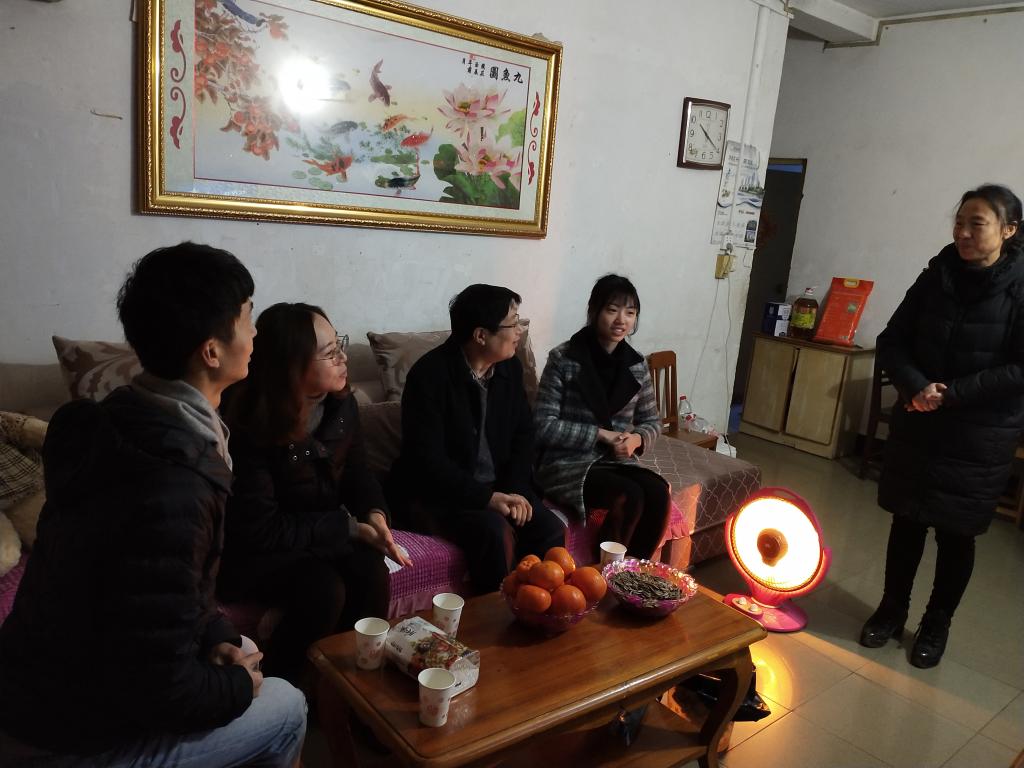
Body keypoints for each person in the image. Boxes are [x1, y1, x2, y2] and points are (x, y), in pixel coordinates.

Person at [0, 243, 306, 767]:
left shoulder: (117, 421)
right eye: (247, 317)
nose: (255, 333)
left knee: (240, 645)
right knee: (287, 705)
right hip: (70, 733)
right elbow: (160, 689)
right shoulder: (174, 482)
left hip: (30, 685)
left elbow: (156, 594)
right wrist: (237, 685)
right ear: (212, 352)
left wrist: (217, 636)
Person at [859, 184, 1024, 668]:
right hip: (920, 422)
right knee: (906, 522)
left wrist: (952, 393)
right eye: (960, 222)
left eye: (978, 224)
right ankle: (891, 611)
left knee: (956, 535)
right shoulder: (936, 276)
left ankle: (936, 622)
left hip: (979, 434)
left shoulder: (1020, 288)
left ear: (1009, 231)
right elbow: (892, 340)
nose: (964, 233)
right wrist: (915, 386)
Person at [219, 302, 411, 686]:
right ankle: (285, 689)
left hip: (320, 533)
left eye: (339, 345)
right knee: (323, 589)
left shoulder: (341, 404)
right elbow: (261, 528)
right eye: (330, 352)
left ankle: (357, 688)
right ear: (292, 365)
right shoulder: (250, 420)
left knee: (371, 570)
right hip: (260, 549)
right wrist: (349, 528)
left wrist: (374, 515)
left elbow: (358, 474)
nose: (343, 358)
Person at [389, 284, 565, 592]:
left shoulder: (509, 367)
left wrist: (514, 490)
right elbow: (428, 461)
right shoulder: (430, 376)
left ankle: (537, 606)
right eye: (512, 323)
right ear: (481, 335)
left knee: (549, 528)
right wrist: (487, 498)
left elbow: (524, 435)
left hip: (500, 486)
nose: (519, 331)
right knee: (493, 532)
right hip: (441, 494)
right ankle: (495, 613)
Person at [534, 274, 669, 559]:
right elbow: (543, 425)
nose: (621, 320)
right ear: (594, 311)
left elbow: (652, 422)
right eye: (612, 310)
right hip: (568, 462)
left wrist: (636, 440)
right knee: (628, 495)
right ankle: (607, 572)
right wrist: (600, 434)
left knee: (658, 492)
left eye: (630, 312)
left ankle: (635, 571)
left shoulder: (636, 365)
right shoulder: (564, 359)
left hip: (615, 461)